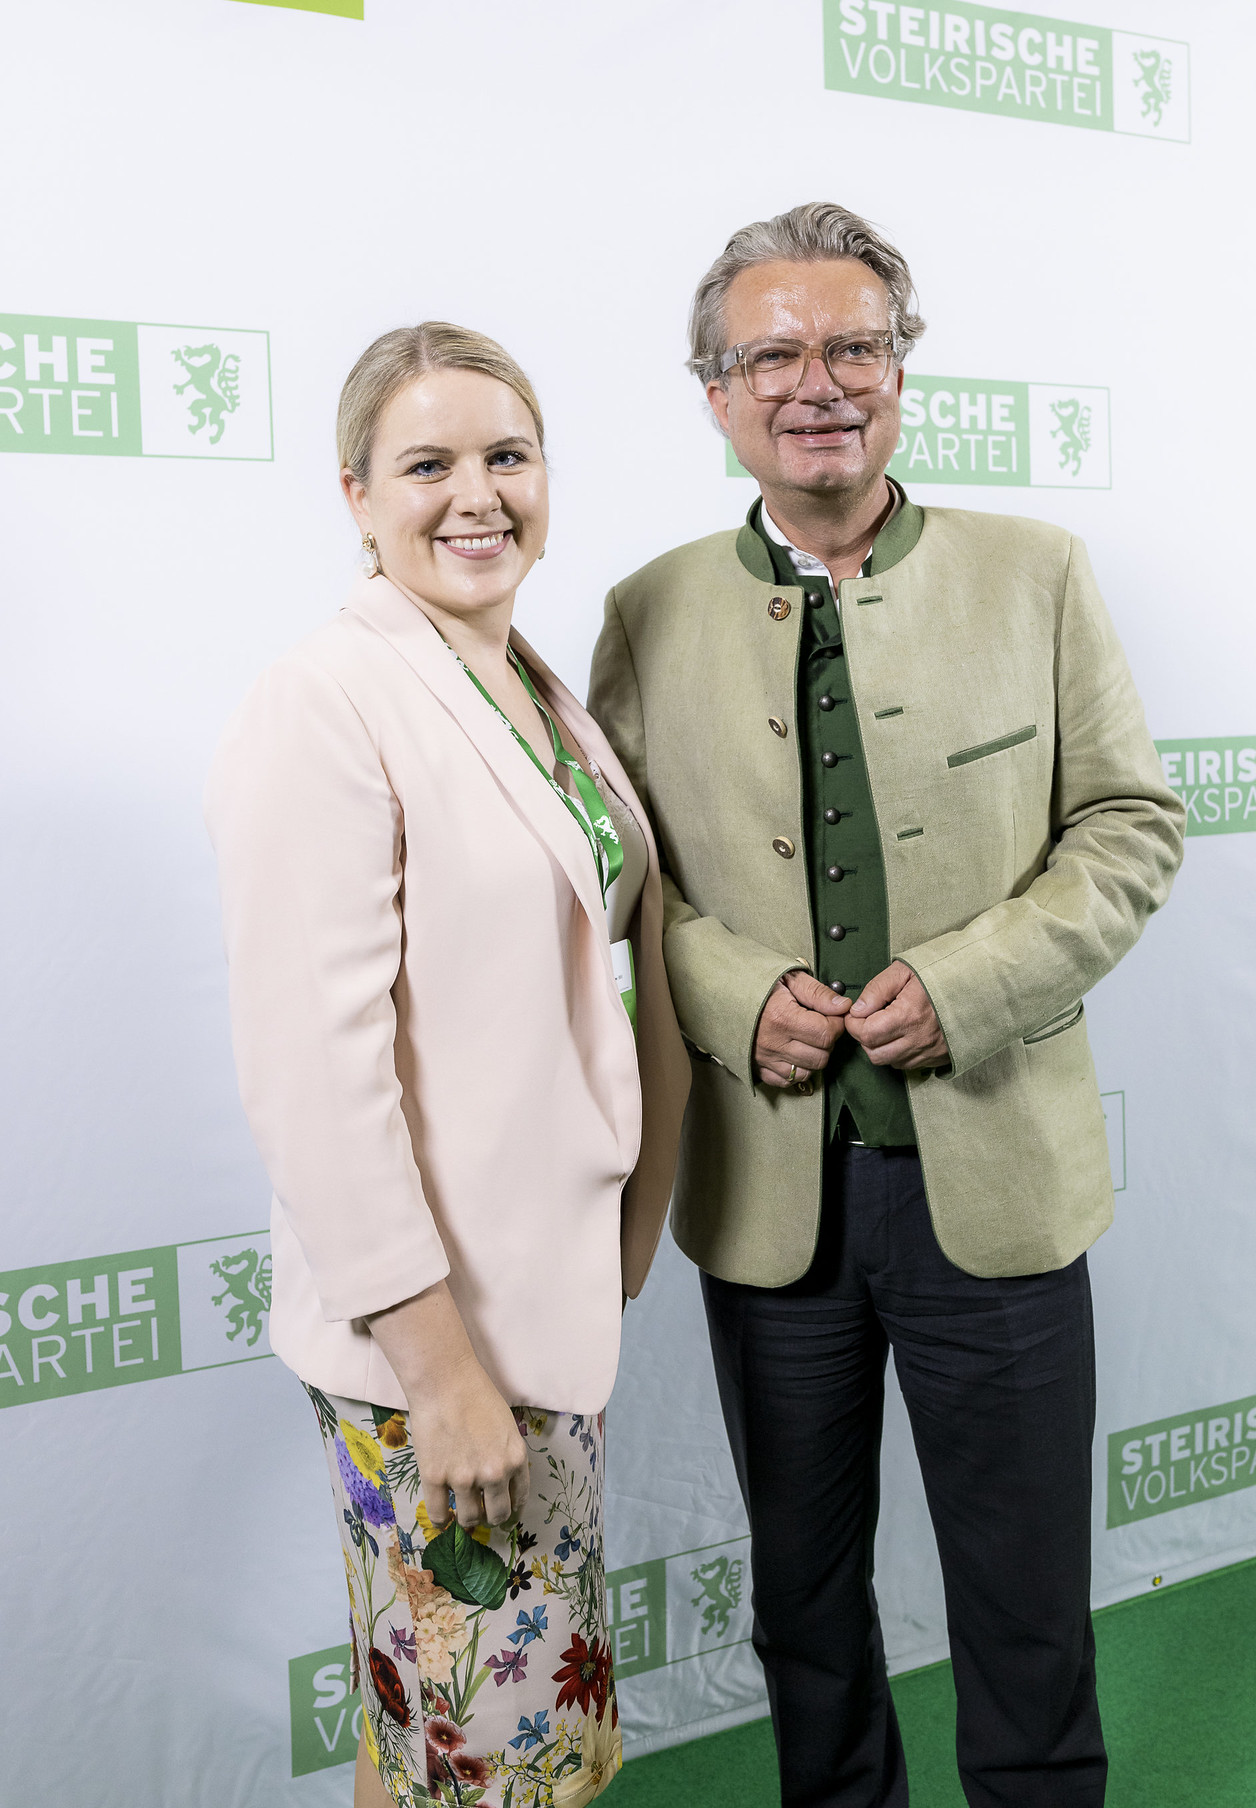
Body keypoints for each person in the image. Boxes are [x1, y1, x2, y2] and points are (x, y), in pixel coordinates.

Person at [588, 205, 1185, 1808]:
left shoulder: (1036, 575)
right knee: (802, 1608)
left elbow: (1128, 826)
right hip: (769, 1197)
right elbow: (621, 877)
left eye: (854, 346)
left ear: (900, 372)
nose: (818, 383)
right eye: (773, 355)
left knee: (1026, 1604)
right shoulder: (644, 610)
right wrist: (732, 995)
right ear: (716, 394)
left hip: (997, 1184)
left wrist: (972, 982)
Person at [206, 323, 688, 1808]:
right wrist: (440, 1373)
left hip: (538, 1305)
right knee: (497, 1758)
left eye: (507, 457)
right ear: (356, 496)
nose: (476, 495)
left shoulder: (525, 682)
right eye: (428, 464)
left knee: (436, 1735)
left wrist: (627, 1223)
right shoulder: (328, 696)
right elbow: (315, 1071)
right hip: (440, 1345)